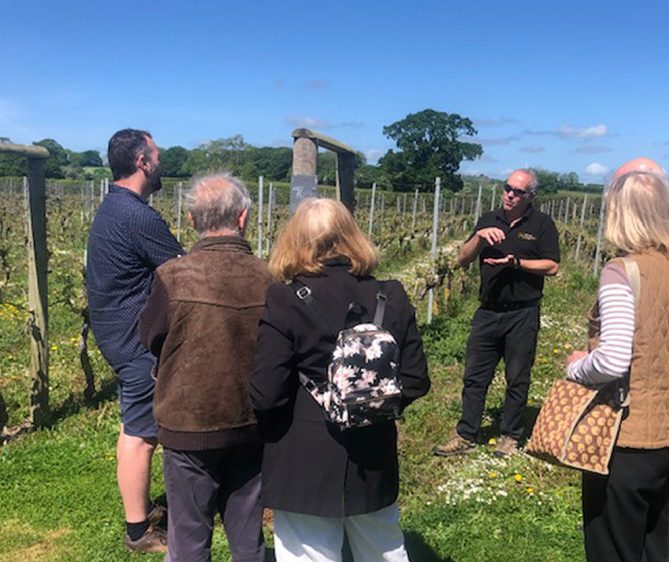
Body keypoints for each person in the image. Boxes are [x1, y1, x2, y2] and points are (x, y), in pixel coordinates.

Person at [250, 197, 430, 562]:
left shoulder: (285, 299)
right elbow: (415, 379)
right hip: (373, 452)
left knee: (309, 554)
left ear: (295, 240)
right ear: (352, 236)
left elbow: (266, 394)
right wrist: (372, 403)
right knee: (384, 550)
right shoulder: (390, 294)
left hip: (303, 455)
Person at [565, 160, 669, 561]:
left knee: (612, 548)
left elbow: (613, 360)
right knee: (655, 547)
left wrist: (576, 366)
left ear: (619, 213)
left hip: (623, 443)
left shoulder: (622, 271)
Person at [139, 174, 269, 562]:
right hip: (250, 420)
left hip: (188, 424)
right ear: (244, 218)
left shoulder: (172, 276)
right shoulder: (270, 277)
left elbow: (150, 336)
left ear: (193, 220)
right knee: (248, 532)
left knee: (189, 536)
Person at [86, 128, 183, 552]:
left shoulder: (115, 206)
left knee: (138, 429)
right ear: (143, 162)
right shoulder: (136, 215)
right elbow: (181, 270)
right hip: (135, 341)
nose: (161, 161)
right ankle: (138, 531)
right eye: (157, 154)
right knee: (141, 434)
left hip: (118, 334)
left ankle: (140, 511)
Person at [434, 168, 560, 457]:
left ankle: (510, 435)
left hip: (522, 313)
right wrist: (479, 237)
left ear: (531, 196)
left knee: (517, 376)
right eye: (507, 188)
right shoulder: (489, 219)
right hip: (488, 311)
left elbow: (552, 266)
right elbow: (463, 258)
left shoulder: (541, 224)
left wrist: (517, 262)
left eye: (518, 192)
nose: (510, 195)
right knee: (474, 376)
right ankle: (466, 434)